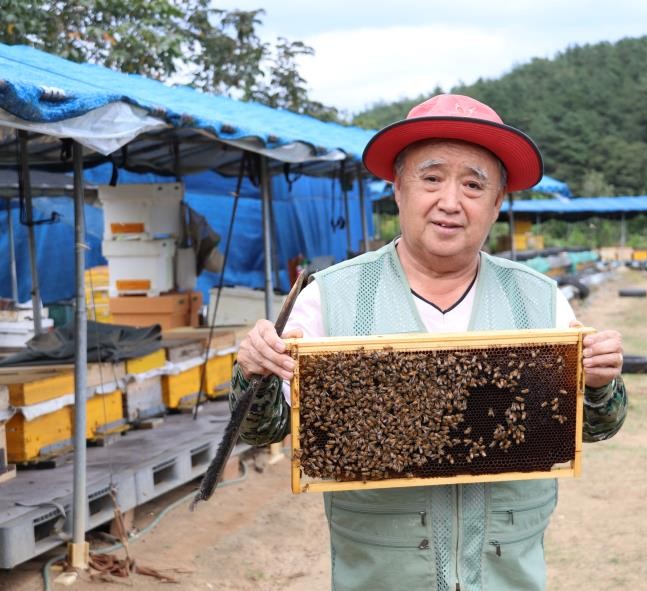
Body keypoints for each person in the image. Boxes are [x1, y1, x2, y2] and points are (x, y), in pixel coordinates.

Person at [231, 94, 627, 591]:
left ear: (497, 202)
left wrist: (597, 382)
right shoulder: (328, 298)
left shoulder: (539, 298)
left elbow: (591, 428)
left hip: (506, 574)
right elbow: (260, 429)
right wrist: (255, 374)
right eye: (432, 178)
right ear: (397, 188)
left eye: (474, 184)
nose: (450, 202)